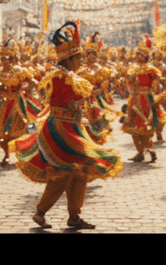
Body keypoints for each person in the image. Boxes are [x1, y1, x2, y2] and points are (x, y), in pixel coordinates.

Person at [13, 22, 122, 230]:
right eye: (78, 58)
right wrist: (86, 97)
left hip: (72, 127)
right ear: (69, 59)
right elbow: (66, 100)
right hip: (60, 129)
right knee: (63, 172)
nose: (81, 61)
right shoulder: (59, 77)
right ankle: (40, 211)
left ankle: (74, 216)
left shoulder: (70, 76)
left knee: (80, 172)